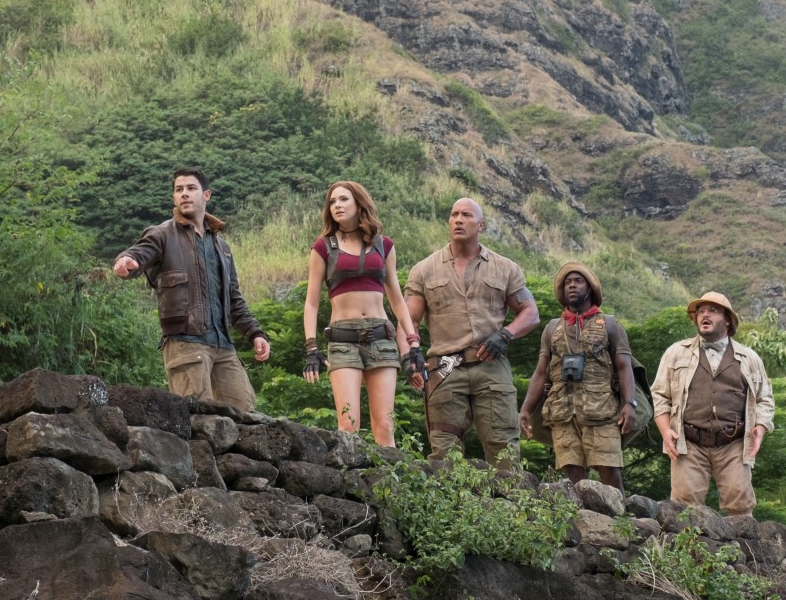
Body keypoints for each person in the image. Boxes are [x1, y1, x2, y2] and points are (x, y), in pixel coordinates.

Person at [112, 168, 271, 411]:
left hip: (223, 346)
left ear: (206, 195)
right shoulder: (162, 234)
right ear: (174, 198)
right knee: (198, 421)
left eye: (191, 188)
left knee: (245, 415)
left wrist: (255, 333)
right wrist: (127, 261)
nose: (184, 194)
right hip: (185, 344)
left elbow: (233, 298)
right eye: (179, 190)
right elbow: (139, 253)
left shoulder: (221, 246)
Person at [404, 197, 539, 466]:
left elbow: (530, 313)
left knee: (504, 447)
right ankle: (450, 507)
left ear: (481, 225)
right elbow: (408, 321)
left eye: (466, 215)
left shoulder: (505, 267)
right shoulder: (424, 270)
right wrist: (410, 357)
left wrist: (505, 334)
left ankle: (509, 505)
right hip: (444, 368)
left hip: (490, 363)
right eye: (454, 214)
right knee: (444, 452)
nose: (458, 220)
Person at [301, 180, 427, 448]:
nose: (337, 205)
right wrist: (311, 346)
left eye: (344, 199)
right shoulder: (323, 247)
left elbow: (396, 297)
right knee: (348, 425)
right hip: (343, 338)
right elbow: (311, 302)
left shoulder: (384, 246)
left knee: (385, 424)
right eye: (332, 202)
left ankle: (390, 488)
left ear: (359, 204)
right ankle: (349, 488)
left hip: (381, 338)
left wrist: (413, 342)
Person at [651, 291, 774, 517]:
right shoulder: (676, 353)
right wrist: (666, 430)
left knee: (740, 507)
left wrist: (761, 427)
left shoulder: (749, 358)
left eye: (713, 311)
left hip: (733, 443)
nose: (704, 315)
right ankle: (687, 553)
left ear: (727, 320)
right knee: (683, 511)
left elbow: (765, 398)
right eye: (700, 311)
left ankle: (744, 552)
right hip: (688, 443)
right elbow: (659, 395)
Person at [518, 262, 635, 491]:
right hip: (562, 411)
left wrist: (629, 404)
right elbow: (541, 372)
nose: (572, 285)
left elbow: (624, 367)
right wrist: (525, 410)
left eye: (578, 281)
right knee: (571, 474)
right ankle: (579, 523)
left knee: (609, 471)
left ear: (590, 288)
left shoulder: (610, 324)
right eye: (567, 282)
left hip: (601, 410)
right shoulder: (552, 328)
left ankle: (618, 523)